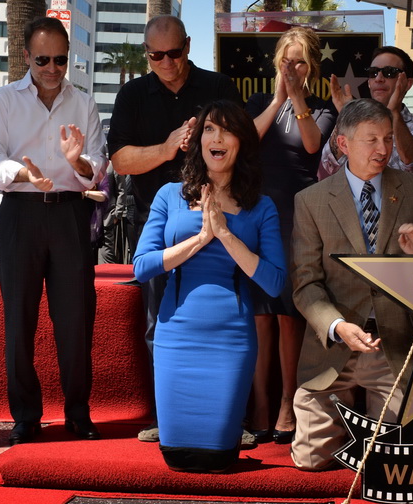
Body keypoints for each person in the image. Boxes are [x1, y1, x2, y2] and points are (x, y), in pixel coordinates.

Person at [107, 14, 241, 443]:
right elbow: (120, 161)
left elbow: (243, 145)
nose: (166, 61)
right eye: (156, 55)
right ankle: (171, 417)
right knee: (159, 321)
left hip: (220, 215)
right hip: (155, 216)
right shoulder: (132, 93)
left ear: (188, 45)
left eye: (174, 52)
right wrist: (167, 148)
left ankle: (227, 418)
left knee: (224, 317)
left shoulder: (218, 87)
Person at [290, 98, 413, 471]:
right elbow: (305, 282)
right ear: (343, 144)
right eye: (371, 140)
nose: (383, 149)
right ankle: (345, 429)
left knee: (390, 467)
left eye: (388, 139)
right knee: (310, 461)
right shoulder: (310, 201)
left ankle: (368, 438)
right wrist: (338, 326)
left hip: (393, 346)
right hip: (333, 346)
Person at [133, 100, 286, 473]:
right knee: (177, 459)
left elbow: (275, 281)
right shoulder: (169, 195)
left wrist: (224, 235)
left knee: (218, 456)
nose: (217, 138)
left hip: (231, 340)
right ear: (198, 140)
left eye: (228, 130)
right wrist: (200, 240)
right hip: (175, 337)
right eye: (209, 129)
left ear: (242, 143)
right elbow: (142, 266)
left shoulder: (261, 206)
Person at [0, 16, 107, 445]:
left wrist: (76, 162)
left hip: (70, 215)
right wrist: (24, 173)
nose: (52, 68)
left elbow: (96, 171)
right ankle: (26, 417)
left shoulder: (84, 102)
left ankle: (78, 412)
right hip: (19, 214)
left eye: (60, 59)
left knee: (76, 320)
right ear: (28, 57)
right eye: (43, 59)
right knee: (18, 321)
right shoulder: (2, 100)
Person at [245, 27, 337, 444]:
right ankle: (259, 405)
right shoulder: (261, 102)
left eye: (300, 61)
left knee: (287, 315)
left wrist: (297, 97)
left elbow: (313, 145)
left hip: (297, 217)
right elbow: (246, 142)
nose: (293, 68)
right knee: (260, 314)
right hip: (257, 214)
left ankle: (287, 404)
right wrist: (280, 98)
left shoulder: (321, 108)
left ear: (312, 66)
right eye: (287, 60)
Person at [319, 46, 413, 179]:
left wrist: (394, 113)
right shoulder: (354, 119)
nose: (379, 78)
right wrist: (347, 116)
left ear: (408, 83)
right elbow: (328, 166)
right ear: (369, 82)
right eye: (373, 72)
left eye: (389, 72)